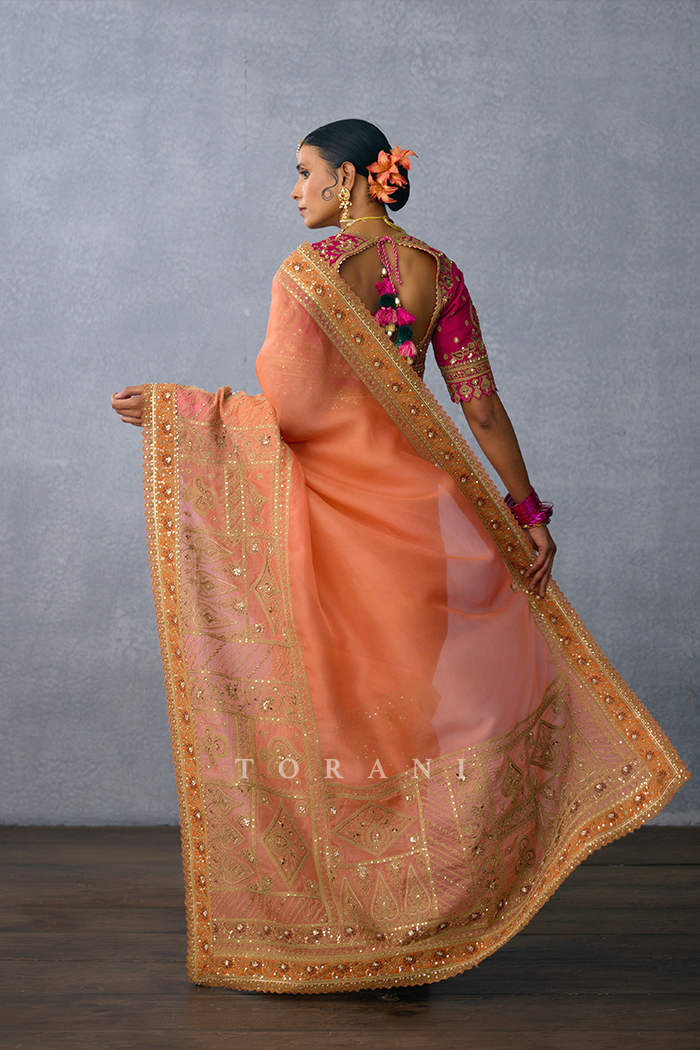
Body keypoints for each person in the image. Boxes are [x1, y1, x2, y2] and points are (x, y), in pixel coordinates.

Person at [112, 119, 687, 994]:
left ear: (348, 179)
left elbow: (290, 412)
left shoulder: (307, 273)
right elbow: (479, 406)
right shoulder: (440, 273)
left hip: (337, 530)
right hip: (429, 528)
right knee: (421, 727)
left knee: (354, 731)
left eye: (303, 172)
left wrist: (181, 409)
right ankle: (424, 930)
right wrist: (526, 512)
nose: (294, 190)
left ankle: (368, 933)